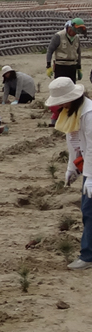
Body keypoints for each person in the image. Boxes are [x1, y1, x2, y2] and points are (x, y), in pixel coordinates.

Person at [46, 78, 92, 270]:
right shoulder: (70, 113)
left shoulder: (89, 115)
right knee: (88, 211)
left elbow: (91, 148)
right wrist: (71, 168)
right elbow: (74, 143)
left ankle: (88, 256)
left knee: (89, 211)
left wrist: (90, 178)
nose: (59, 104)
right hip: (88, 166)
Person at [47, 18, 86, 82]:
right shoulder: (58, 36)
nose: (75, 33)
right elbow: (50, 51)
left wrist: (79, 68)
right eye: (75, 31)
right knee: (60, 87)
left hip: (72, 67)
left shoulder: (77, 38)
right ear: (71, 28)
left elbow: (78, 53)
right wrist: (48, 66)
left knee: (71, 89)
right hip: (61, 67)